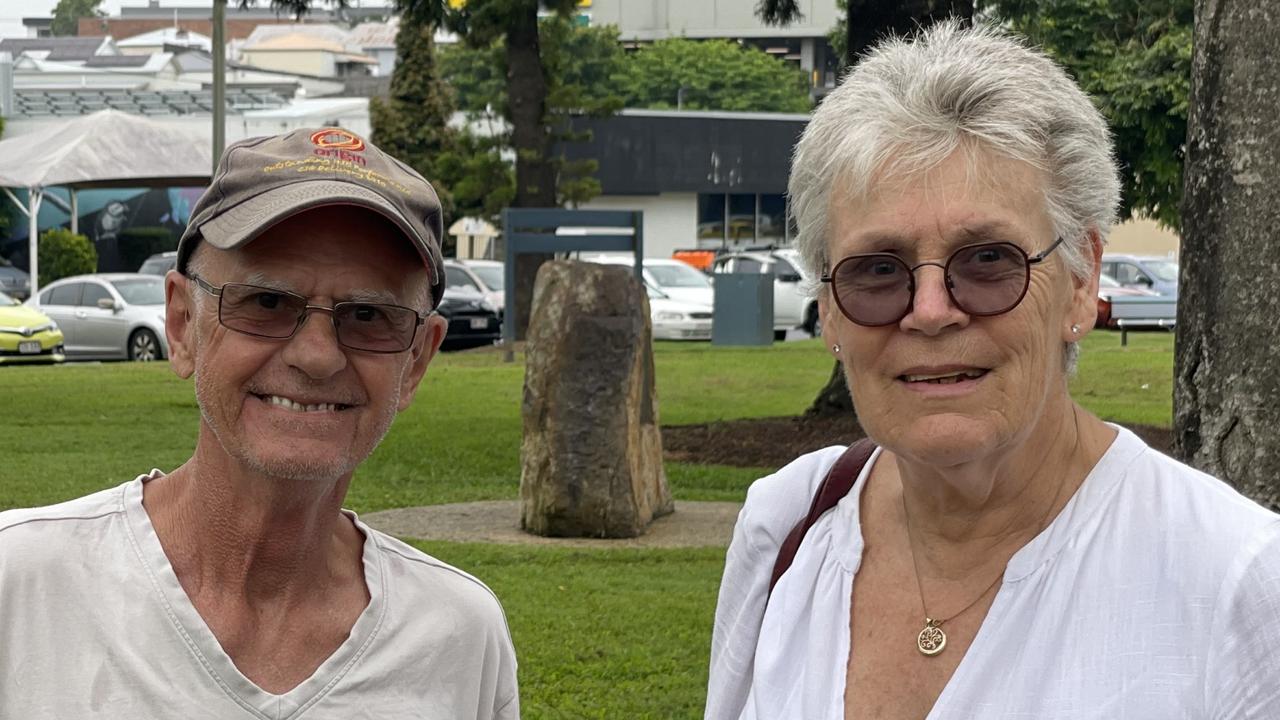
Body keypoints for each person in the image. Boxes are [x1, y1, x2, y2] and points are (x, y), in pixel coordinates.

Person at [705, 22, 1280, 720]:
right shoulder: (789, 526)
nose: (930, 311)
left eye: (987, 261)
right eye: (877, 271)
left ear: (1079, 279)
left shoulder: (1237, 583)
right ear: (828, 309)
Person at [0, 128, 519, 718]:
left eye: (370, 315)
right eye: (267, 303)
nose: (317, 356)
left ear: (418, 359)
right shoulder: (21, 589)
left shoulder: (458, 636)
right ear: (181, 325)